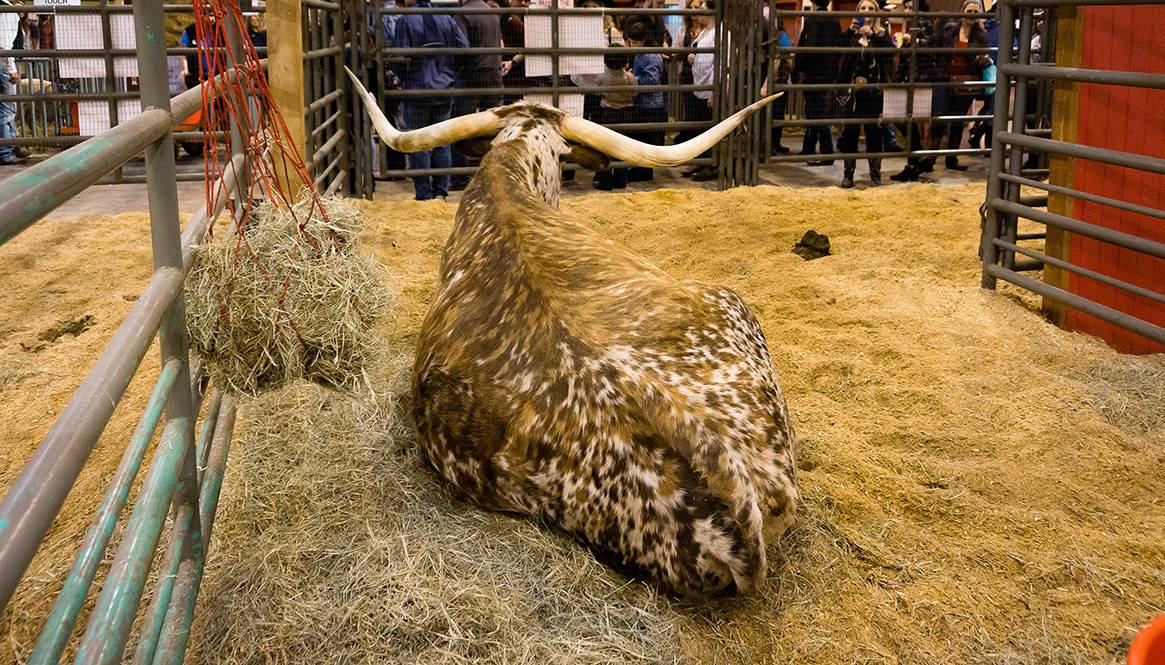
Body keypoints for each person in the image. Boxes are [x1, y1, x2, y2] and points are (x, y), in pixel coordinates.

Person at [394, 0, 469, 201]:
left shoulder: (405, 20)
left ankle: (423, 194)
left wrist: (403, 77)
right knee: (442, 142)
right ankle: (440, 193)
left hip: (417, 89)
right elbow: (464, 48)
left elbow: (397, 57)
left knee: (418, 141)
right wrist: (449, 72)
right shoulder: (447, 19)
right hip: (444, 89)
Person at [924, 0, 990, 172]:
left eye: (976, 13)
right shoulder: (949, 30)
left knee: (958, 121)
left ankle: (951, 158)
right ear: (962, 12)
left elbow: (985, 59)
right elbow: (933, 46)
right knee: (938, 119)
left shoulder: (981, 35)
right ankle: (929, 159)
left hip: (966, 84)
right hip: (944, 80)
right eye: (970, 11)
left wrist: (982, 60)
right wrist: (934, 69)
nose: (972, 15)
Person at [836, 0, 894, 187]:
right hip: (852, 93)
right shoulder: (852, 33)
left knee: (874, 134)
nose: (866, 11)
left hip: (873, 93)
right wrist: (848, 32)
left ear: (876, 13)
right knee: (850, 133)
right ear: (857, 12)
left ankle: (875, 175)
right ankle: (848, 174)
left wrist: (873, 36)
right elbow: (836, 51)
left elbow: (890, 53)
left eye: (870, 8)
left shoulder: (882, 33)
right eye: (863, 8)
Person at [449, 0, 503, 191]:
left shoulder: (463, 14)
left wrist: (453, 70)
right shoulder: (490, 12)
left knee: (461, 127)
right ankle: (496, 174)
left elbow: (461, 49)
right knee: (496, 129)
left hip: (471, 77)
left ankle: (460, 177)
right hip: (494, 76)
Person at [890, 0, 940, 181]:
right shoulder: (910, 24)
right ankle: (921, 159)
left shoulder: (924, 22)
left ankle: (913, 164)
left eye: (912, 7)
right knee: (903, 120)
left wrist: (913, 40)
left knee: (907, 120)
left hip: (919, 80)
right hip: (910, 79)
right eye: (907, 7)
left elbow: (932, 44)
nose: (908, 10)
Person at [792, 0, 840, 166]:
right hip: (828, 72)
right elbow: (838, 46)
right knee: (814, 109)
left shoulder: (813, 19)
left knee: (817, 111)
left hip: (813, 73)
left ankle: (827, 152)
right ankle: (808, 147)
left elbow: (809, 47)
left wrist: (801, 67)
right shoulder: (834, 20)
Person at [623, 22, 665, 183]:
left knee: (647, 138)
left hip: (650, 104)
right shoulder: (642, 54)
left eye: (635, 43)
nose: (632, 46)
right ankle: (640, 167)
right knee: (641, 137)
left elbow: (651, 81)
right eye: (631, 42)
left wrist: (632, 78)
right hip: (643, 102)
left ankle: (645, 171)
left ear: (644, 40)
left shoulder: (649, 55)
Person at [591, 47, 637, 190]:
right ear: (625, 61)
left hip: (608, 113)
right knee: (622, 146)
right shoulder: (629, 78)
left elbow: (596, 92)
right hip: (626, 113)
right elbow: (635, 92)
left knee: (606, 147)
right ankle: (620, 179)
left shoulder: (602, 77)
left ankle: (605, 180)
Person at [685, 1, 717, 181]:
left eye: (701, 9)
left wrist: (714, 91)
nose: (698, 12)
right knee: (699, 127)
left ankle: (711, 165)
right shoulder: (704, 32)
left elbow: (721, 63)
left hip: (708, 88)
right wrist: (692, 57)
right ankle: (702, 161)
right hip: (699, 85)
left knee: (708, 128)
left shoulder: (720, 33)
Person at [0, 0, 23, 165]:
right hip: (2, 64)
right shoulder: (7, 11)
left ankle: (12, 146)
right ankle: (6, 152)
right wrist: (11, 69)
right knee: (7, 109)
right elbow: (3, 45)